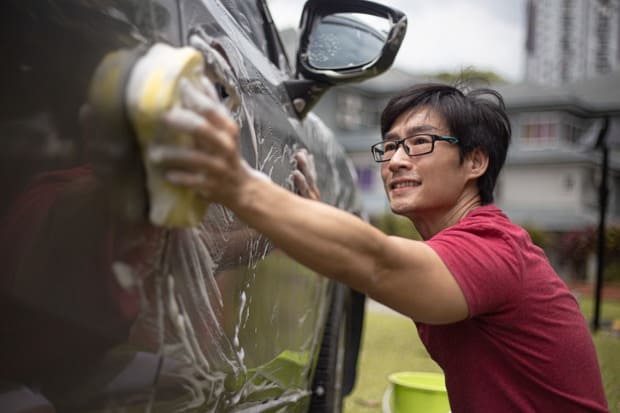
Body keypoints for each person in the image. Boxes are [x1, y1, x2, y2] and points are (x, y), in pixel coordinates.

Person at [151, 82, 609, 412]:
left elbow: (378, 263)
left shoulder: (495, 247)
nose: (396, 161)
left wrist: (236, 183)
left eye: (420, 143)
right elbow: (368, 260)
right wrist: (308, 219)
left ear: (475, 161)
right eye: (389, 147)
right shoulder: (461, 247)